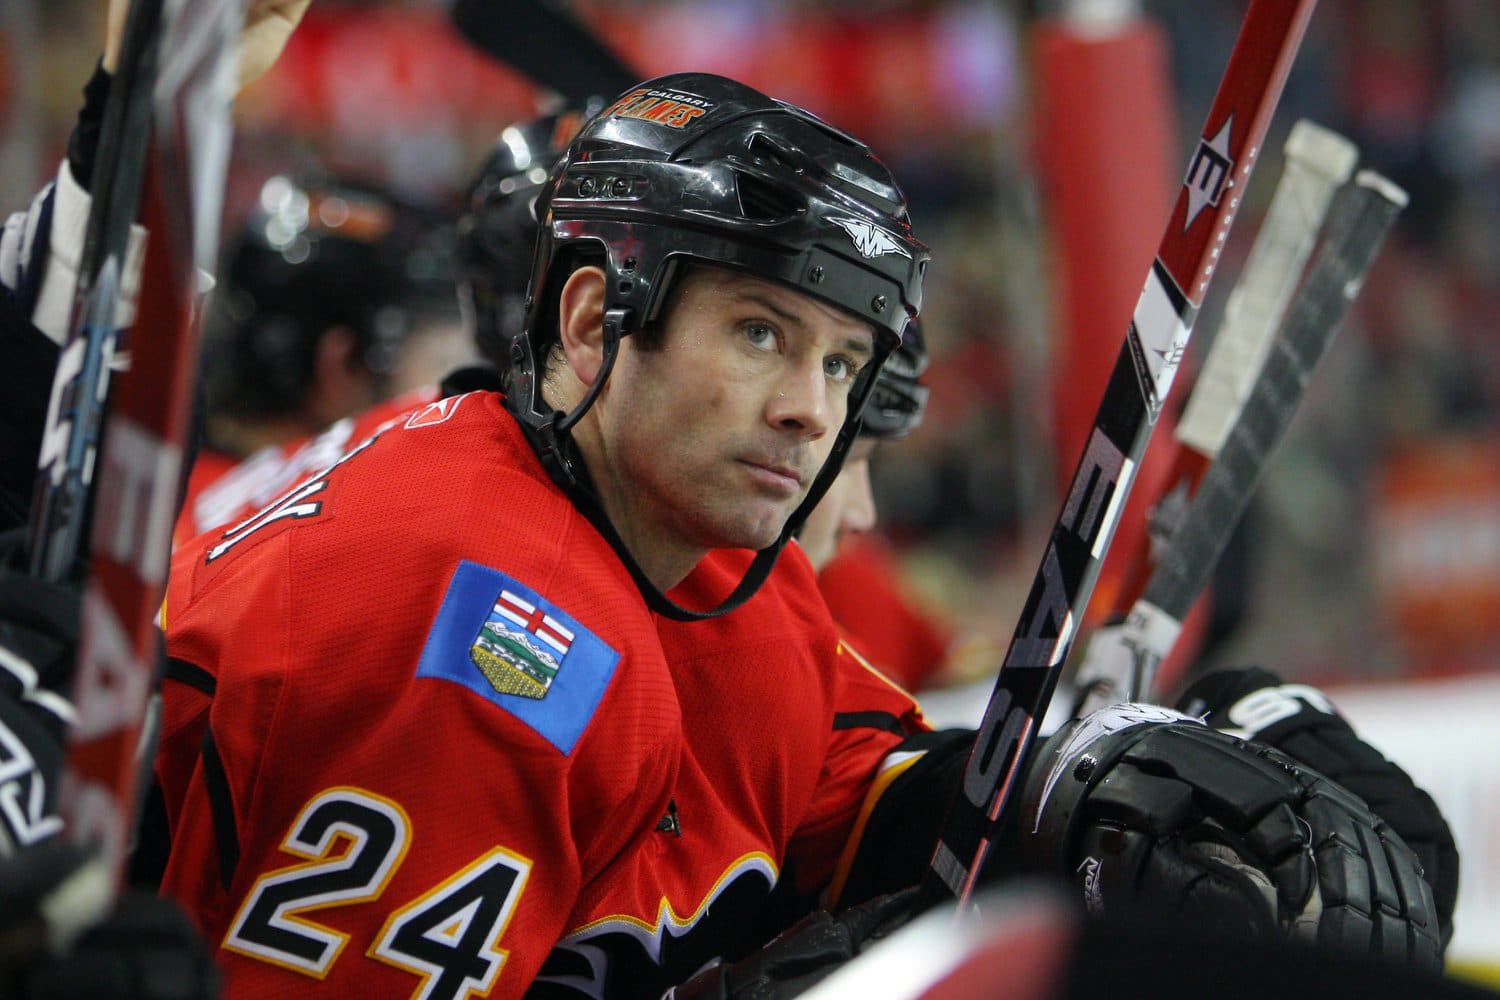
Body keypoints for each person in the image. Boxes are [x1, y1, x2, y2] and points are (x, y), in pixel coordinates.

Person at [152, 71, 1451, 1000]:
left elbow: (859, 796)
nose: (808, 411)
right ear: (598, 319)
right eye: (762, 334)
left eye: (842, 365)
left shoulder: (706, 569)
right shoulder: (475, 618)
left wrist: (1102, 784)